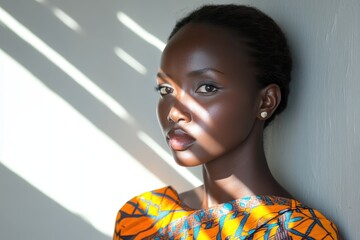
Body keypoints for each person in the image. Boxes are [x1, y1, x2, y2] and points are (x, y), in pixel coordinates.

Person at [113, 4, 339, 239]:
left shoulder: (295, 232)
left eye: (206, 87)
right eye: (166, 89)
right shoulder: (140, 219)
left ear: (265, 101)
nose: (173, 113)